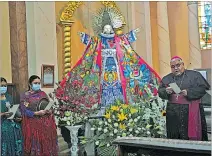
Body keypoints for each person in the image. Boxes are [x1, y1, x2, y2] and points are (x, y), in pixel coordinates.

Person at [55, 7, 161, 110]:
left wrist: (133, 33)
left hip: (116, 68)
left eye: (109, 28)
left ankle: (120, 104)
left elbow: (125, 39)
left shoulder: (118, 40)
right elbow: (92, 42)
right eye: (105, 28)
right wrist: (84, 36)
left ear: (112, 28)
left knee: (118, 85)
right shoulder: (98, 40)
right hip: (103, 69)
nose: (107, 29)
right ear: (102, 29)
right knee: (102, 86)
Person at [158, 56, 210, 141]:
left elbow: (203, 89)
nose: (175, 68)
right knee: (174, 135)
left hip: (190, 109)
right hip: (173, 112)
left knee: (190, 136)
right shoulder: (167, 78)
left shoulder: (194, 75)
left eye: (178, 65)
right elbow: (160, 91)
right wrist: (166, 91)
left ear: (183, 64)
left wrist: (189, 92)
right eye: (173, 67)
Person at [20, 75, 58, 156]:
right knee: (36, 146)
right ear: (30, 84)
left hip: (45, 124)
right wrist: (36, 113)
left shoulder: (43, 93)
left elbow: (48, 105)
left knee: (45, 145)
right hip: (32, 124)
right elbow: (24, 110)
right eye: (35, 83)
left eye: (39, 83)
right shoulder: (26, 96)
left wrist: (49, 110)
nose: (37, 85)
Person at [0, 77, 23, 156]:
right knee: (5, 130)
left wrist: (17, 116)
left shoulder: (9, 96)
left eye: (5, 86)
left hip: (10, 120)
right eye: (1, 86)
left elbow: (13, 109)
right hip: (1, 122)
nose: (3, 88)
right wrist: (3, 114)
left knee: (17, 128)